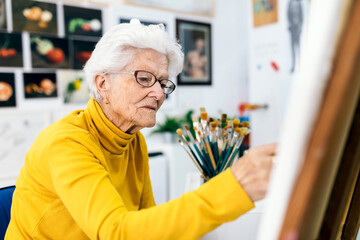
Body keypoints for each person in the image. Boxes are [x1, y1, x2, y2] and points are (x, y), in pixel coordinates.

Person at [5, 23, 276, 239]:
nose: (159, 93)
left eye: (163, 83)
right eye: (144, 78)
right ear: (103, 84)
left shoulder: (132, 141)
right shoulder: (66, 143)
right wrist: (235, 187)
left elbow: (146, 221)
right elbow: (117, 232)